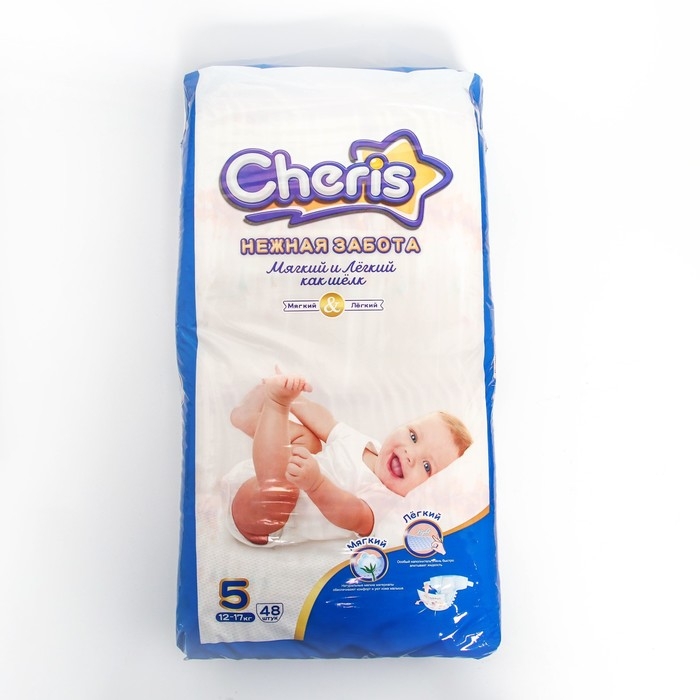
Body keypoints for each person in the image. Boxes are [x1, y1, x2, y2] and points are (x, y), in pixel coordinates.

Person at [227, 371, 472, 546]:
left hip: (263, 517)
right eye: (413, 436)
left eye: (427, 466)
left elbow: (352, 514)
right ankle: (249, 417)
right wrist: (296, 398)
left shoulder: (386, 500)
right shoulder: (368, 445)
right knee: (310, 441)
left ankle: (275, 405)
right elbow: (326, 422)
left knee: (286, 491)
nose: (411, 454)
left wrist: (316, 484)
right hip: (264, 468)